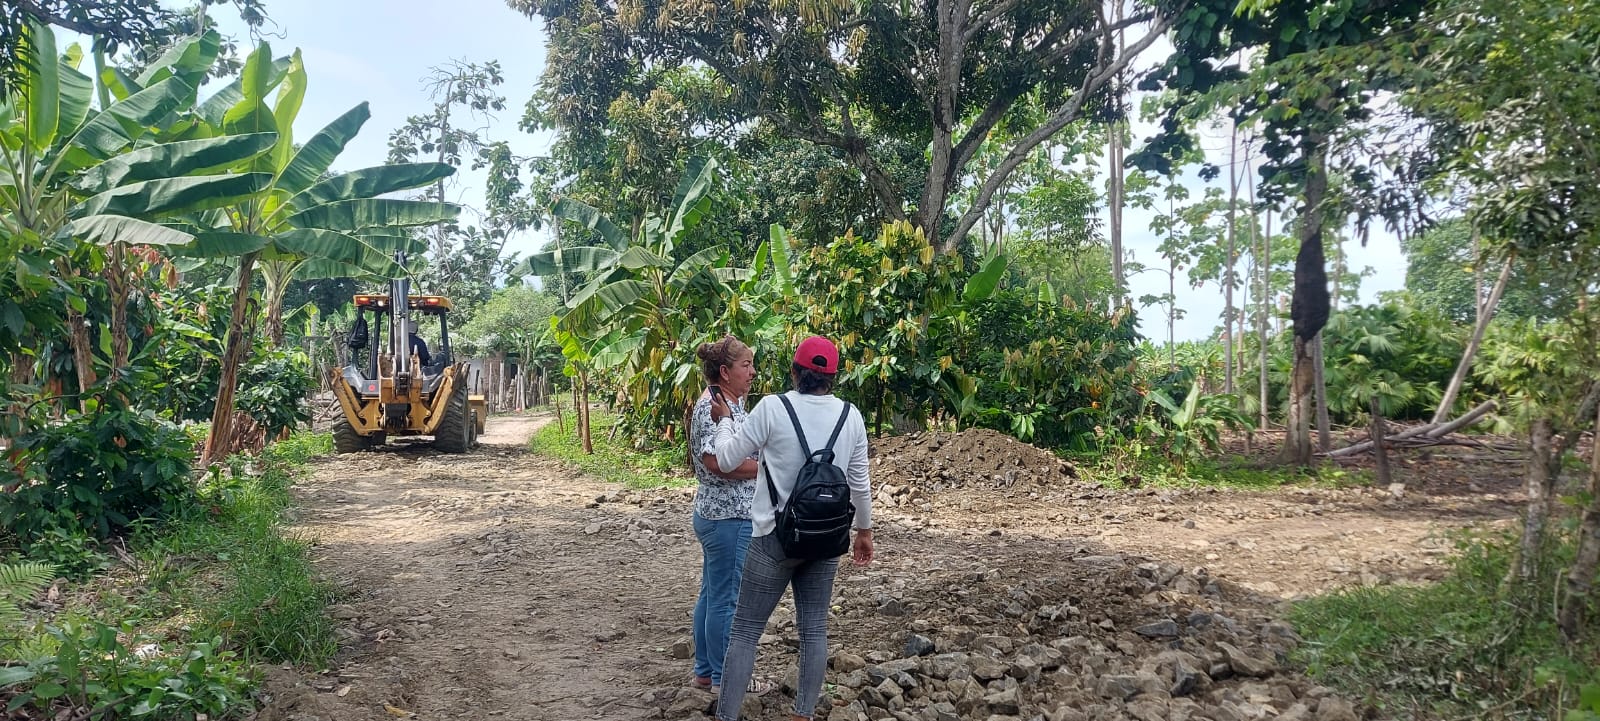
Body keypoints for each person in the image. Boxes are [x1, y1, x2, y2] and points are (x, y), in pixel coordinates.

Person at [708, 335, 874, 721]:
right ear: (832, 377)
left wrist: (724, 422)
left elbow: (728, 460)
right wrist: (864, 532)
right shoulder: (851, 415)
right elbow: (860, 482)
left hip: (773, 538)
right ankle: (803, 714)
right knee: (814, 630)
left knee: (746, 631)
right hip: (826, 538)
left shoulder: (773, 407)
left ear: (795, 372)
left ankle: (727, 716)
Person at [685, 335, 773, 696]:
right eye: (745, 365)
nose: (752, 372)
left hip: (719, 514)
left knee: (713, 595)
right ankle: (727, 679)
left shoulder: (727, 403)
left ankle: (706, 672)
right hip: (729, 517)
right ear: (725, 371)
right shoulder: (713, 407)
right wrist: (767, 469)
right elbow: (716, 462)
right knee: (727, 600)